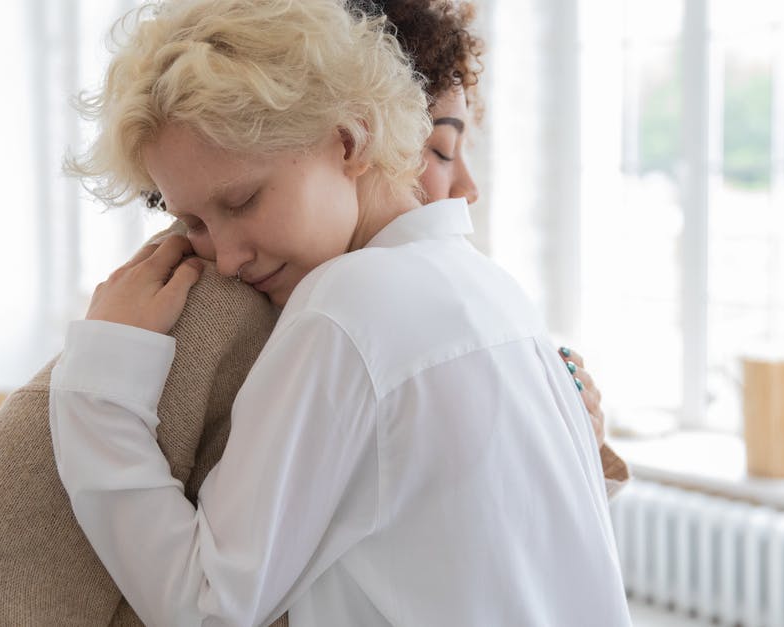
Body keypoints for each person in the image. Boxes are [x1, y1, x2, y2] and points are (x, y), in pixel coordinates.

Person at [50, 0, 631, 625]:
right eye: (191, 222)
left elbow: (210, 607)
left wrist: (97, 387)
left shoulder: (343, 314)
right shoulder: (497, 292)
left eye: (242, 201)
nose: (224, 259)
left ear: (349, 139)